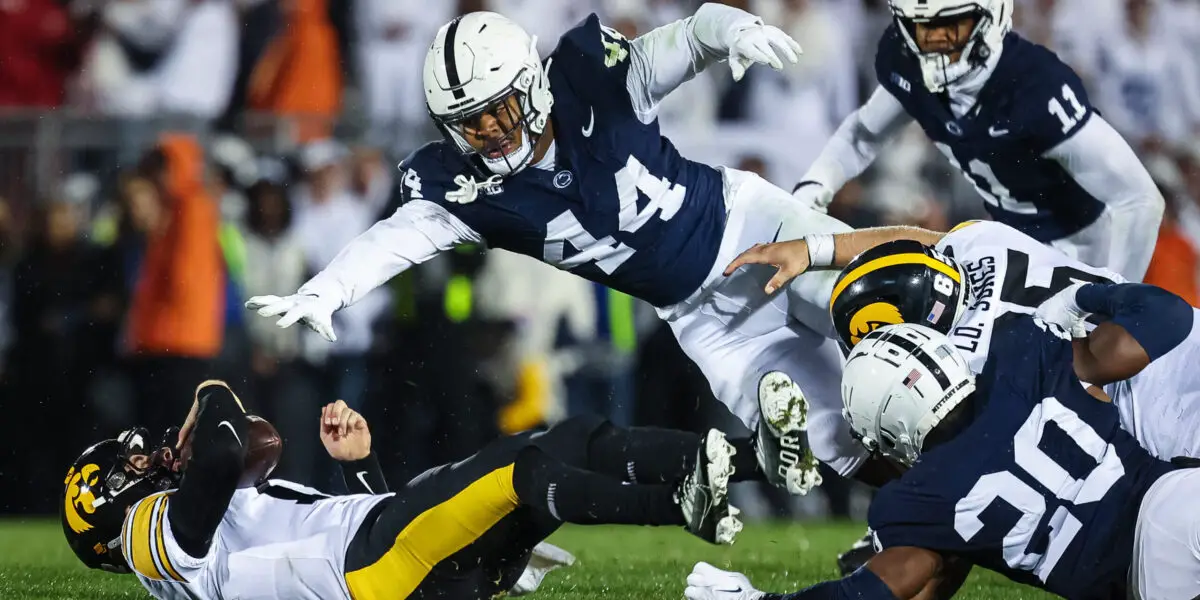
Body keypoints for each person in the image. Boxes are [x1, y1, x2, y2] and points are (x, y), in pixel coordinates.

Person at [245, 4, 870, 495]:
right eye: (471, 123)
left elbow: (690, 35)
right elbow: (394, 240)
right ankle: (921, 522)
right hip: (701, 318)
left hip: (748, 229)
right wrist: (327, 290)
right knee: (837, 443)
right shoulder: (469, 190)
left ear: (531, 83)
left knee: (876, 326)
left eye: (498, 110)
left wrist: (733, 27)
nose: (488, 131)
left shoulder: (588, 77)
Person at [728, 220, 1200, 573]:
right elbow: (917, 242)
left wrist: (904, 544)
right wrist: (817, 249)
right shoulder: (980, 242)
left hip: (1163, 427)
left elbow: (970, 489)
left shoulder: (978, 364)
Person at [61, 380, 771, 599]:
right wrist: (208, 394)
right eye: (137, 464)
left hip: (394, 557)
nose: (153, 457)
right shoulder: (147, 542)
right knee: (523, 475)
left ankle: (751, 457)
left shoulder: (211, 522)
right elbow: (224, 439)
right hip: (375, 571)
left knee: (571, 438)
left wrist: (359, 468)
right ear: (110, 503)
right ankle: (679, 503)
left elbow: (325, 514)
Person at [789, 0, 1163, 283]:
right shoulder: (905, 61)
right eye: (924, 29)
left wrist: (1110, 298)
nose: (936, 44)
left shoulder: (1036, 87)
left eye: (952, 27)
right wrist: (810, 192)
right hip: (1005, 240)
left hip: (1079, 250)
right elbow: (861, 135)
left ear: (991, 17)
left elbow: (1140, 200)